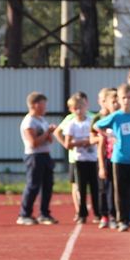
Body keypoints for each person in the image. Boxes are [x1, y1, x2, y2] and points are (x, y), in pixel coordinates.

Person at [95, 83, 130, 232]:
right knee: (120, 191)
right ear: (119, 98)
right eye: (123, 97)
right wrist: (109, 136)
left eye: (129, 97)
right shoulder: (116, 116)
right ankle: (122, 220)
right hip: (118, 159)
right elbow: (97, 126)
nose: (126, 100)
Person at [16, 92, 58, 226]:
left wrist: (50, 133)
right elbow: (33, 142)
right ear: (35, 104)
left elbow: (49, 140)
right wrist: (47, 133)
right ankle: (24, 214)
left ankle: (44, 213)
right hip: (34, 156)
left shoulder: (42, 120)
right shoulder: (29, 121)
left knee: (47, 186)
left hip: (45, 155)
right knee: (33, 185)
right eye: (43, 103)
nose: (46, 106)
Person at [62, 94, 100, 225]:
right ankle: (82, 213)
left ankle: (98, 213)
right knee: (81, 189)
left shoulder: (91, 121)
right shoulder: (71, 124)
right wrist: (80, 143)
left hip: (92, 159)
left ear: (86, 107)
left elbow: (96, 138)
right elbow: (67, 144)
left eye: (81, 107)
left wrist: (88, 141)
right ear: (71, 110)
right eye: (76, 108)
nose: (79, 111)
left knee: (95, 188)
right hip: (79, 160)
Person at [55, 91, 90, 220]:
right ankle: (79, 210)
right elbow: (57, 131)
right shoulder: (70, 118)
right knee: (76, 185)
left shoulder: (92, 117)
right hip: (75, 158)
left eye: (82, 103)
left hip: (91, 157)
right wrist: (66, 144)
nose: (80, 108)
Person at [93, 87, 119, 229]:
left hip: (119, 160)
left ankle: (116, 215)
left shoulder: (120, 120)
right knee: (104, 189)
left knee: (117, 189)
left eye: (117, 102)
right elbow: (101, 145)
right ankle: (105, 215)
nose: (116, 105)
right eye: (113, 102)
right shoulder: (105, 122)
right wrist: (102, 166)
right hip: (107, 159)